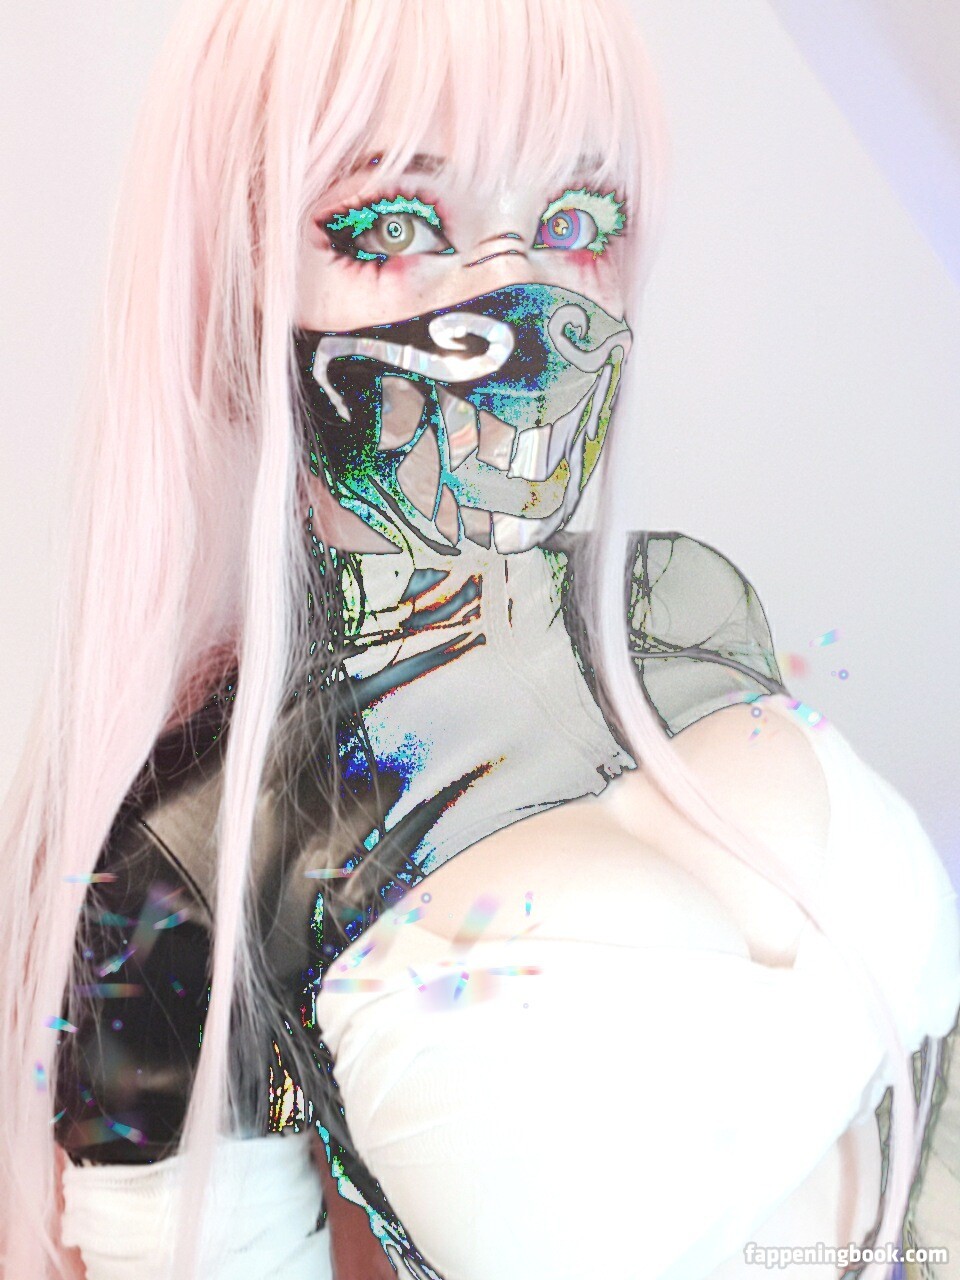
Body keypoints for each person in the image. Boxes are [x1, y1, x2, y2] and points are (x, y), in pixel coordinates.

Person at [1, 2, 957, 1278]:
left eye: (577, 220)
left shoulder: (680, 607)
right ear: (239, 282)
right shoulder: (193, 860)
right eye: (395, 223)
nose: (524, 306)